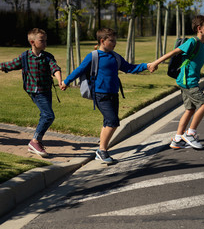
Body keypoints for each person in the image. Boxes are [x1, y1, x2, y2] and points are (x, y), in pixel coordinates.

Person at [61, 28, 158, 164]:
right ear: (102, 41)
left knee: (108, 122)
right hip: (100, 94)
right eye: (111, 41)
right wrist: (66, 81)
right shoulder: (93, 56)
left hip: (114, 93)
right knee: (112, 121)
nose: (114, 43)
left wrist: (146, 66)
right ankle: (101, 151)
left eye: (115, 41)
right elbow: (80, 69)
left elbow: (129, 68)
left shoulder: (115, 57)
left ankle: (102, 149)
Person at [151, 15, 204, 150]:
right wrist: (156, 62)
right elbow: (174, 52)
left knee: (190, 109)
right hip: (187, 81)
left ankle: (178, 139)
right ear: (199, 29)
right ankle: (190, 134)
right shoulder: (192, 42)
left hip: (188, 81)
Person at [1, 28, 63, 158]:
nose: (45, 43)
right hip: (35, 91)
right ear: (32, 42)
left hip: (46, 90)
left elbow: (55, 68)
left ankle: (37, 142)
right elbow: (10, 64)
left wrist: (60, 80)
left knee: (45, 115)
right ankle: (34, 142)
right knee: (48, 115)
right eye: (42, 40)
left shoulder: (47, 57)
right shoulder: (25, 57)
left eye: (46, 40)